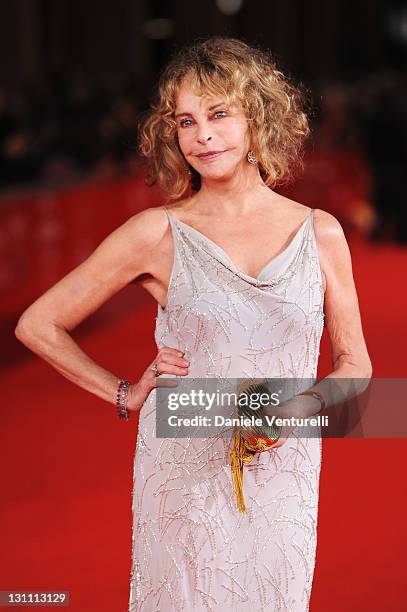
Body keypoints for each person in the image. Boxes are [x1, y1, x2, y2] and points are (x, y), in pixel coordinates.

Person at [15, 37, 372, 611]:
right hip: (185, 478)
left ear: (258, 116)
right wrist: (123, 394)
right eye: (186, 121)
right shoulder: (156, 233)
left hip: (284, 476)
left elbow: (355, 365)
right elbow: (39, 323)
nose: (202, 135)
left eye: (219, 113)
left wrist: (299, 412)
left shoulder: (321, 233)